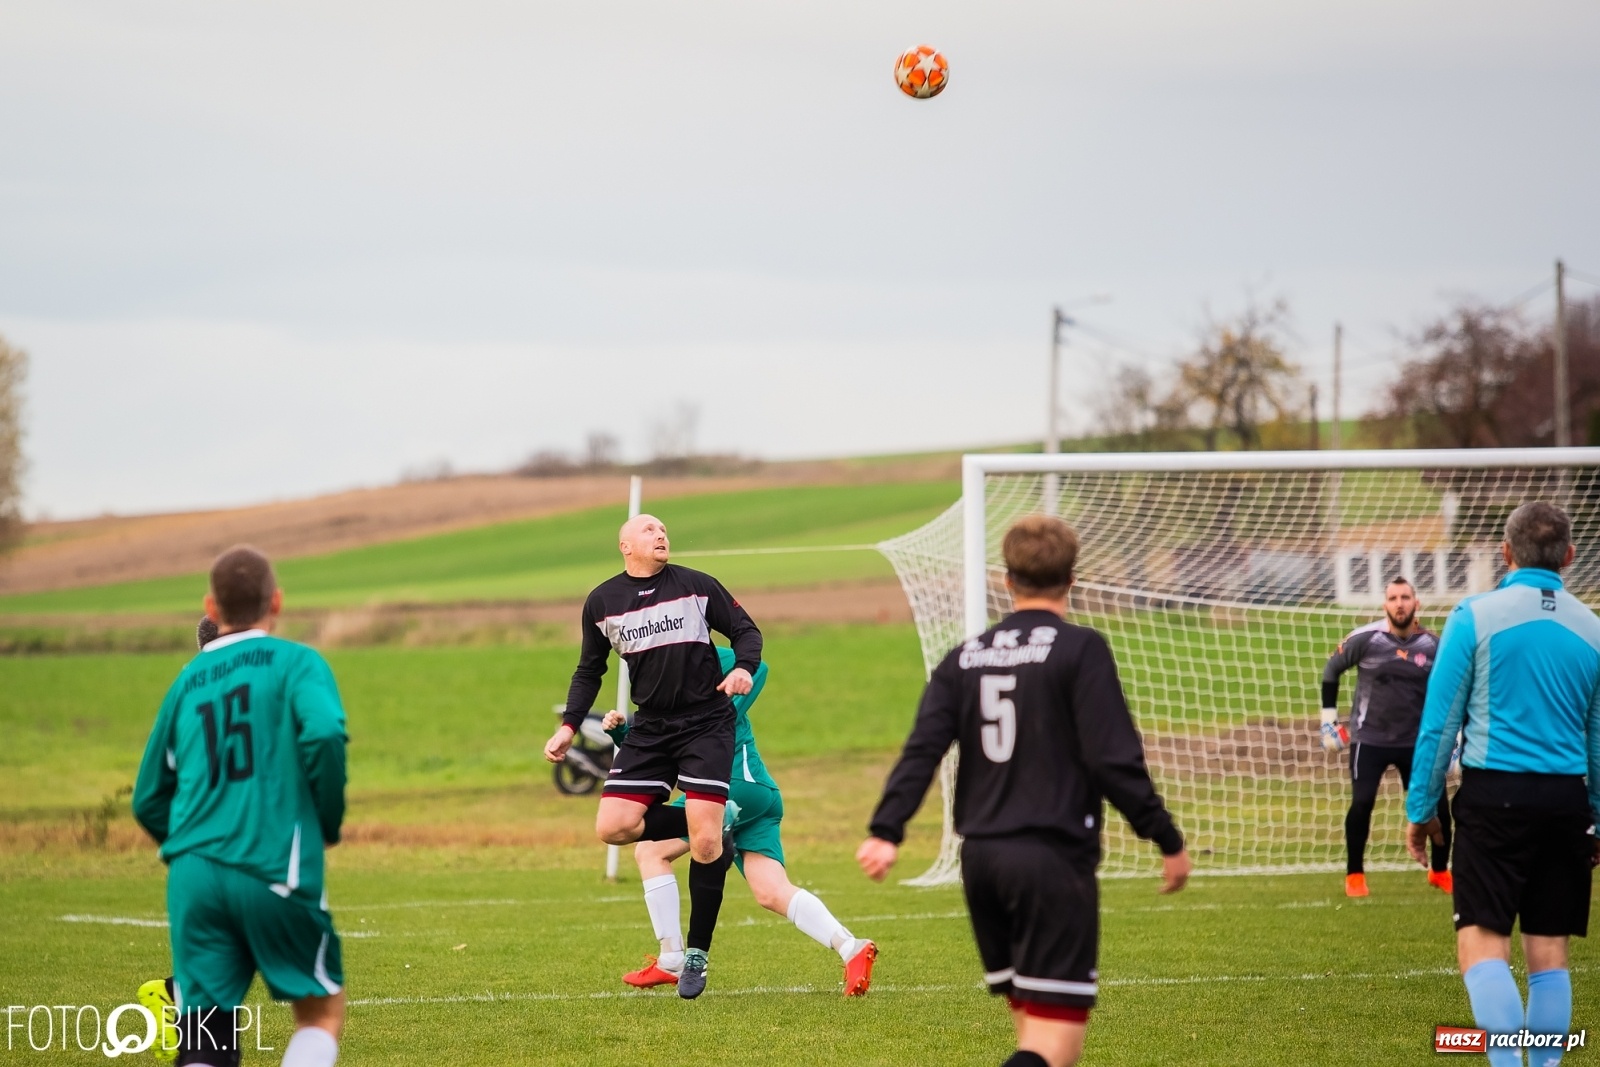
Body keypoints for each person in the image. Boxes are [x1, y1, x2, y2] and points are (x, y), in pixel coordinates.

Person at [857, 515, 1191, 1067]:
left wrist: (886, 831)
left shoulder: (964, 658)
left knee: (1033, 1038)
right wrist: (1166, 838)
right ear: (1073, 580)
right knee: (1054, 1049)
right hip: (1051, 860)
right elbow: (1114, 761)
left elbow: (923, 749)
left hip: (982, 860)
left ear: (1006, 580)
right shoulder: (1080, 650)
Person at [132, 546, 348, 1067]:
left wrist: (190, 844)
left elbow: (147, 798)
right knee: (320, 1012)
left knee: (205, 1033)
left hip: (194, 876)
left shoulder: (186, 681)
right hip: (270, 861)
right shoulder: (298, 662)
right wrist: (325, 820)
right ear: (276, 602)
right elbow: (321, 734)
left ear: (211, 606)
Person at [1406, 502, 1600, 1067]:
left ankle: (1506, 1061)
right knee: (1549, 956)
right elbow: (1598, 740)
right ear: (1568, 556)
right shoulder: (1593, 629)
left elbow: (1439, 725)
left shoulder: (1473, 615)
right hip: (1566, 804)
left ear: (1505, 552)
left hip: (1496, 800)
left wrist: (1423, 809)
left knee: (1481, 944)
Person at [543, 513, 761, 999]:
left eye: (664, 529)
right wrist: (568, 727)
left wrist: (744, 668)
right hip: (651, 728)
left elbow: (747, 632)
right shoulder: (602, 602)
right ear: (625, 545)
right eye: (648, 530)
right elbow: (588, 671)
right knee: (613, 826)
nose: (661, 534)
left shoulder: (697, 586)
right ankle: (710, 824)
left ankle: (696, 957)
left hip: (706, 722)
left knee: (704, 849)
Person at [602, 645, 877, 995]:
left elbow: (758, 667)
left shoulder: (702, 654)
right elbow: (661, 745)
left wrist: (722, 713)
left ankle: (672, 958)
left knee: (650, 852)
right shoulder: (668, 690)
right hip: (758, 794)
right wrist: (622, 733)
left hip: (732, 786)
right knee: (772, 892)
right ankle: (851, 947)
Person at [1319, 576, 1451, 897]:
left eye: (1406, 597)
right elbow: (1331, 671)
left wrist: (1455, 736)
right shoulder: (1365, 639)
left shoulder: (1434, 646)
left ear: (1416, 604)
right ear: (1385, 604)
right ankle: (1354, 876)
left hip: (1416, 742)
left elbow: (1451, 690)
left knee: (1438, 807)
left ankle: (1439, 871)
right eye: (1393, 598)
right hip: (1370, 739)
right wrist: (1329, 721)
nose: (1400, 603)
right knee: (1362, 803)